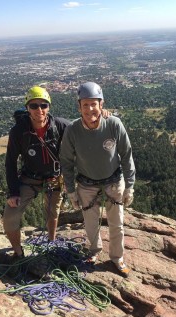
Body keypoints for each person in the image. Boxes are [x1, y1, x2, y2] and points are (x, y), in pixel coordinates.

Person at [60, 82, 135, 276]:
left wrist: (130, 186)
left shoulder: (113, 124)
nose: (90, 109)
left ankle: (117, 258)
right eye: (85, 105)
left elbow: (126, 154)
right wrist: (70, 191)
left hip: (113, 180)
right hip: (86, 183)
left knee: (116, 223)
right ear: (79, 107)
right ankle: (94, 251)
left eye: (93, 104)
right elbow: (66, 162)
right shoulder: (73, 130)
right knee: (91, 223)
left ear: (101, 104)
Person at [2, 86, 70, 258]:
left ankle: (51, 243)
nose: (39, 109)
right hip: (29, 178)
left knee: (52, 213)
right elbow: (10, 162)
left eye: (43, 105)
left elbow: (85, 130)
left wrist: (103, 115)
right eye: (34, 106)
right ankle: (18, 253)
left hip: (54, 177)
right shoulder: (19, 132)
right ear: (27, 108)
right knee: (10, 217)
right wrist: (13, 192)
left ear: (49, 107)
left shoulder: (61, 126)